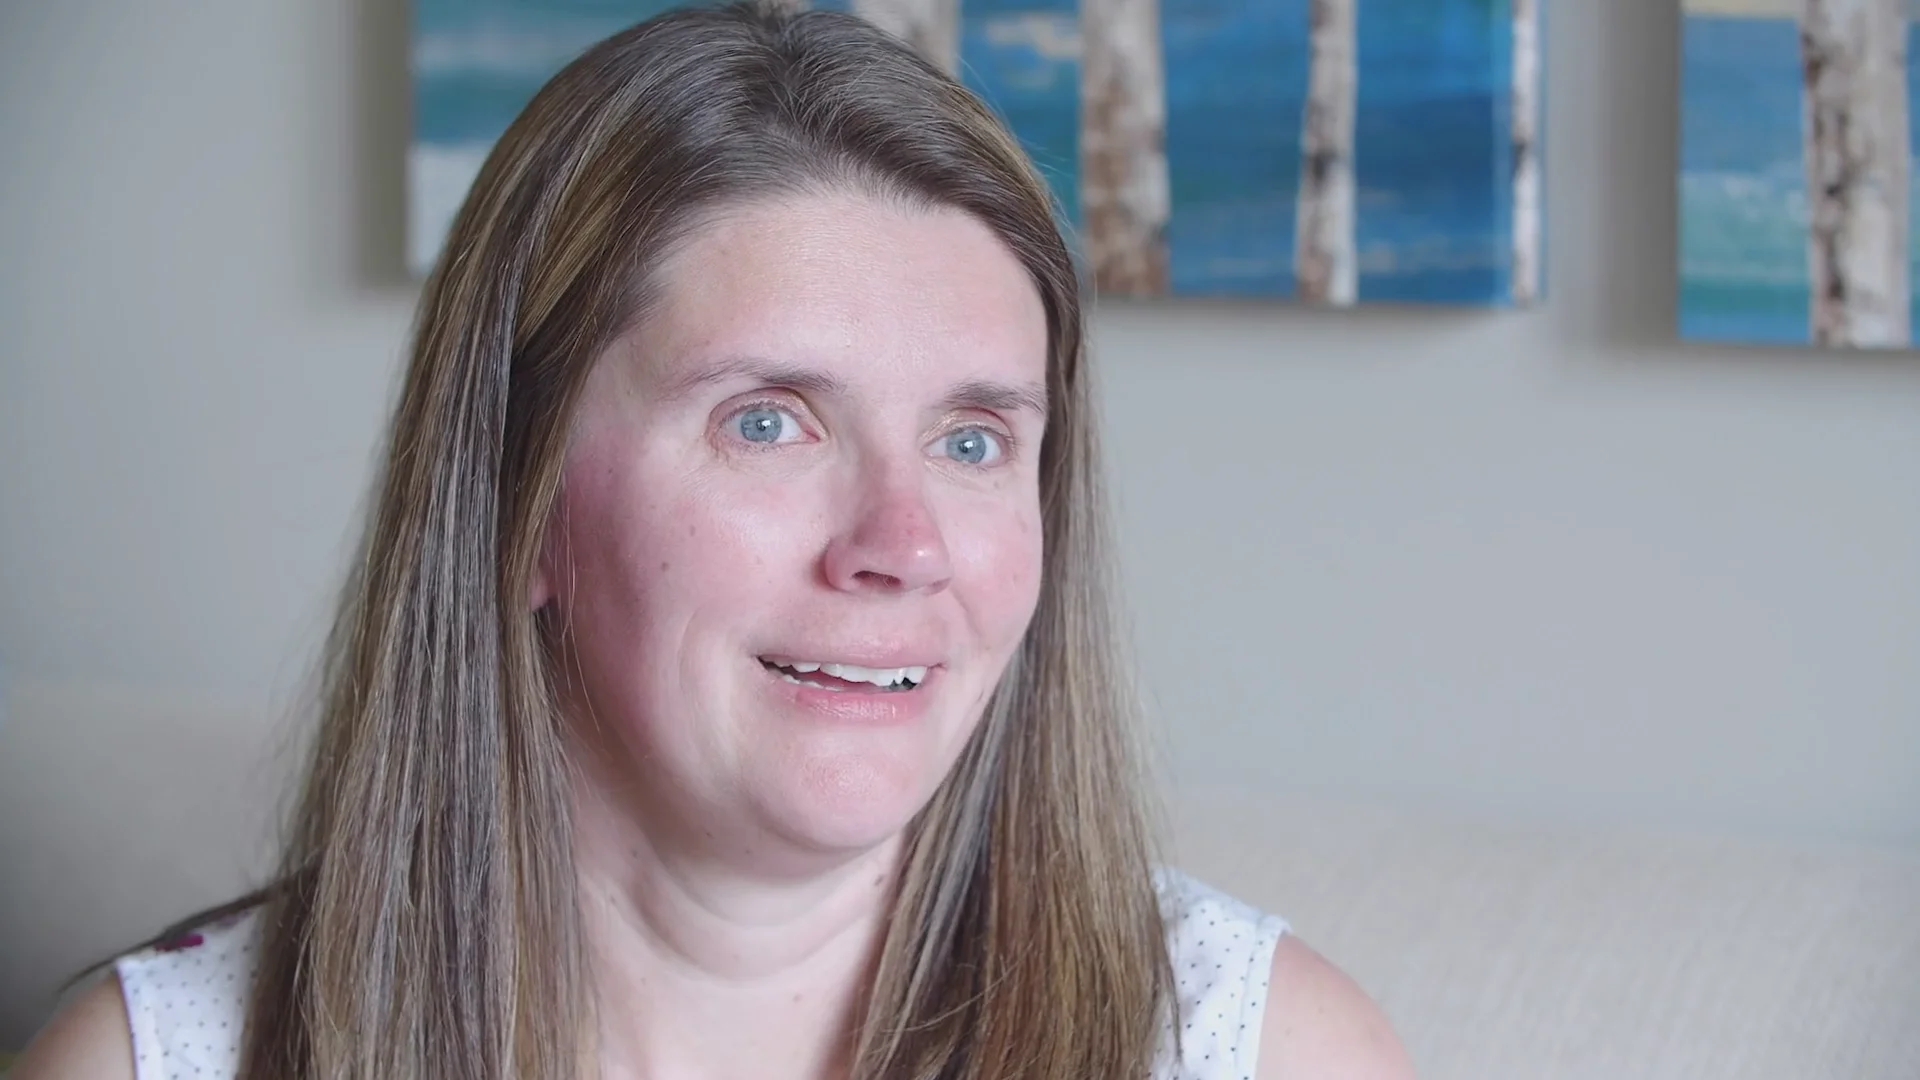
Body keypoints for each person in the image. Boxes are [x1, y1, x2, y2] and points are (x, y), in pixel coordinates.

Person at [16, 4, 1415, 1078]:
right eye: (768, 422)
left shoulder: (1268, 1054)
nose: (902, 544)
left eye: (973, 440)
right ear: (521, 504)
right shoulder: (152, 1063)